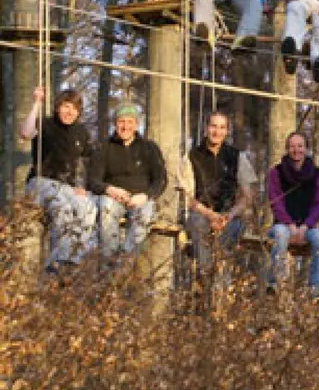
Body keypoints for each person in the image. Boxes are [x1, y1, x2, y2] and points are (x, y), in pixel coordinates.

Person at [19, 86, 97, 274]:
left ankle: (73, 259)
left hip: (66, 186)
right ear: (57, 107)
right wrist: (37, 103)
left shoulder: (81, 133)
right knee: (62, 206)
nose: (70, 112)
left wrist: (83, 186)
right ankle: (56, 262)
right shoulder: (46, 124)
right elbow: (25, 133)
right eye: (66, 106)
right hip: (41, 182)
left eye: (74, 109)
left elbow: (90, 161)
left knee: (88, 208)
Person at [179, 112, 257, 284]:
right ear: (206, 128)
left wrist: (228, 215)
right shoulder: (192, 156)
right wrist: (210, 215)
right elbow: (187, 197)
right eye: (213, 126)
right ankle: (206, 277)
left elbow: (247, 196)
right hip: (202, 213)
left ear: (227, 131)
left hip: (229, 216)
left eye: (222, 127)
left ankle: (222, 283)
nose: (217, 131)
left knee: (234, 232)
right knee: (197, 223)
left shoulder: (237, 157)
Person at [87, 103, 167, 270]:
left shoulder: (149, 148)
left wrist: (145, 196)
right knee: (106, 207)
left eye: (130, 122)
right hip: (113, 198)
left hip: (140, 199)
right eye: (121, 121)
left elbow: (160, 179)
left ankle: (125, 262)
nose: (125, 126)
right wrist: (110, 190)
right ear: (115, 124)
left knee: (145, 213)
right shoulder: (104, 147)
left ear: (136, 125)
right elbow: (93, 180)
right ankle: (109, 262)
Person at [265, 132, 319, 298]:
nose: (296, 150)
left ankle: (315, 288)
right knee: (280, 234)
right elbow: (275, 201)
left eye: (300, 146)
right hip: (282, 225)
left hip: (307, 226)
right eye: (292, 146)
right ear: (287, 149)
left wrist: (305, 225)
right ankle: (274, 284)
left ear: (305, 149)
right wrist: (290, 225)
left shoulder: (316, 174)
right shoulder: (276, 172)